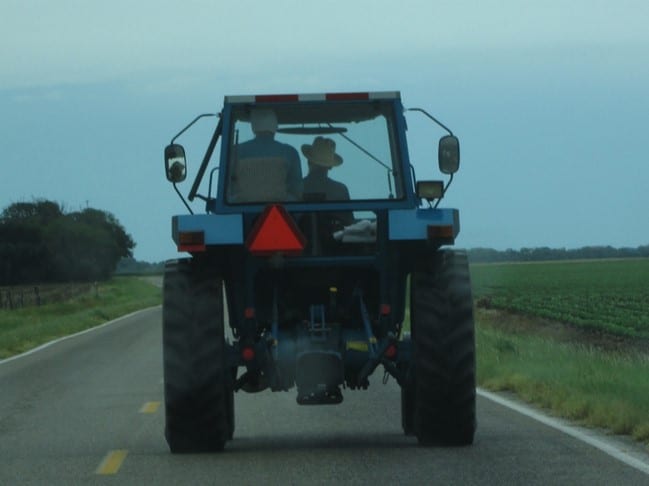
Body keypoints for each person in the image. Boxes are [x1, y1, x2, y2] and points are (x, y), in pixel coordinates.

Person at [229, 109, 303, 202]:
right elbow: (297, 190)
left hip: (240, 208)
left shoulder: (236, 150)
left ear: (253, 127)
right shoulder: (290, 152)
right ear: (275, 127)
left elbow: (229, 185)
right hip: (283, 207)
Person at [301, 136, 354, 226]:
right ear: (330, 166)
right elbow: (349, 222)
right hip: (333, 239)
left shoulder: (295, 187)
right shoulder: (341, 190)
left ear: (308, 161)